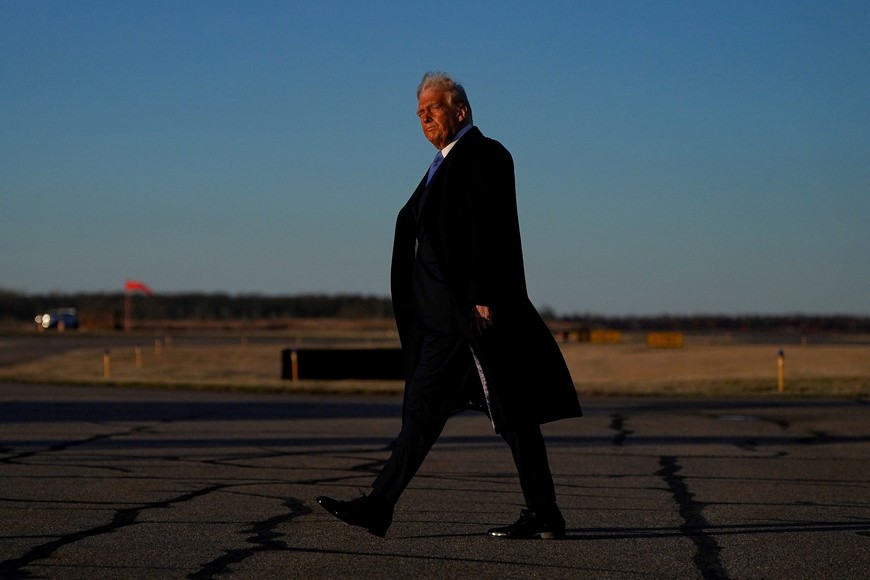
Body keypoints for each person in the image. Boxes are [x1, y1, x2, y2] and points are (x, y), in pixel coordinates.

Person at [317, 72, 582, 539]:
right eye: (419, 112)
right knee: (447, 413)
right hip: (439, 320)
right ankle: (384, 506)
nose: (424, 117)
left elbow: (490, 227)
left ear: (460, 111)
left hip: (468, 317)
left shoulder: (486, 154)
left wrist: (483, 296)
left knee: (504, 414)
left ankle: (541, 513)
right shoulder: (440, 164)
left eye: (432, 108)